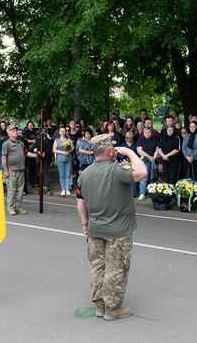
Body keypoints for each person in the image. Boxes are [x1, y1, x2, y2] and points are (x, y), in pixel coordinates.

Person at [76, 134, 147, 321]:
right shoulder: (116, 170)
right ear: (109, 151)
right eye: (114, 148)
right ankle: (112, 309)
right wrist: (130, 152)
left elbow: (80, 202)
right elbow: (142, 173)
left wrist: (85, 223)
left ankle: (100, 306)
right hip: (118, 231)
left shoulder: (84, 174)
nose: (116, 150)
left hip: (95, 229)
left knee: (98, 267)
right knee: (116, 269)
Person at [3, 125, 36, 214]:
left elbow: (26, 153)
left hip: (21, 169)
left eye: (16, 130)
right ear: (9, 133)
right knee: (11, 189)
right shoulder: (6, 144)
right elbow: (4, 158)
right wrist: (5, 170)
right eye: (13, 130)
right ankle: (10, 207)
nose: (15, 132)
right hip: (11, 170)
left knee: (20, 189)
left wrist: (36, 155)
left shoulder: (20, 142)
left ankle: (18, 207)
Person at [136, 127, 158, 200]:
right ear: (143, 133)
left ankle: (151, 192)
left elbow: (157, 150)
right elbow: (139, 151)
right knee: (144, 178)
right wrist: (149, 157)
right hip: (145, 160)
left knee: (152, 177)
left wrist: (153, 158)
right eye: (145, 132)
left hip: (153, 160)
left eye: (149, 132)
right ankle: (142, 194)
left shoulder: (154, 140)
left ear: (151, 133)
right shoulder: (140, 140)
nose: (147, 133)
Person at [53, 126, 74, 196]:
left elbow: (72, 148)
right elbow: (54, 150)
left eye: (64, 131)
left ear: (65, 132)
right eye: (61, 131)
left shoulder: (69, 140)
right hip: (60, 159)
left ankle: (67, 189)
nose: (62, 132)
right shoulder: (57, 140)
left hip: (68, 158)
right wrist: (62, 152)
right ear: (59, 132)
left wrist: (69, 151)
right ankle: (63, 189)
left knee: (68, 174)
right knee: (62, 174)